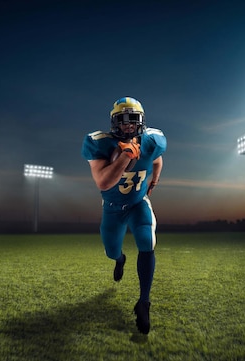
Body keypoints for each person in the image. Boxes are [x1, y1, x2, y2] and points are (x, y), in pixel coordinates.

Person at [81, 96, 166, 335]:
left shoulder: (151, 140)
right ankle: (119, 260)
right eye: (122, 120)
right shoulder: (99, 143)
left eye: (133, 120)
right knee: (111, 250)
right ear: (113, 122)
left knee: (147, 242)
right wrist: (127, 155)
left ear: (142, 121)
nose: (128, 125)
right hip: (112, 208)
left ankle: (144, 302)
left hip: (138, 203)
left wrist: (155, 179)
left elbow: (156, 159)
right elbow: (104, 182)